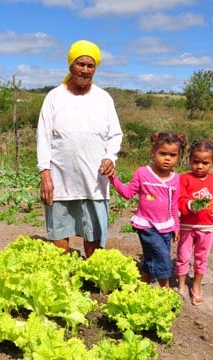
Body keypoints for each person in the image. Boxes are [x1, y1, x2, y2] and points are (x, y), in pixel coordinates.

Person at [36, 39, 123, 259]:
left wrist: (110, 158)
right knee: (59, 232)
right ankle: (63, 278)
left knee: (93, 235)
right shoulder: (54, 97)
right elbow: (43, 137)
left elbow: (115, 135)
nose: (85, 70)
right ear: (70, 66)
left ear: (95, 69)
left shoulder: (103, 98)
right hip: (60, 179)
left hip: (94, 181)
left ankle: (91, 280)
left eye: (90, 65)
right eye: (80, 64)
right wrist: (45, 173)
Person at [105, 132, 185, 288]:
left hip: (166, 227)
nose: (167, 158)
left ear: (178, 156)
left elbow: (173, 204)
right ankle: (165, 289)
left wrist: (176, 225)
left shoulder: (175, 178)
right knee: (163, 257)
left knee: (150, 258)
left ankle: (144, 283)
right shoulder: (143, 173)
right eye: (163, 153)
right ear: (153, 152)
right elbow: (128, 194)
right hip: (147, 225)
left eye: (173, 155)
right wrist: (112, 178)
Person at [175, 140, 213, 305]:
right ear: (190, 161)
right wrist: (189, 205)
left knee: (201, 258)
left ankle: (196, 286)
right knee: (183, 257)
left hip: (207, 228)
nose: (199, 166)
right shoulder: (184, 179)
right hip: (187, 226)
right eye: (196, 162)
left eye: (205, 163)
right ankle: (181, 286)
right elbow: (179, 198)